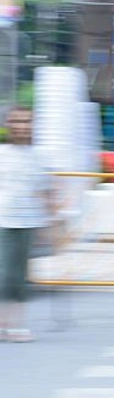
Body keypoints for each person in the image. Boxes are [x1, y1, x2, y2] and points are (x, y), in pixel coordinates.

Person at [0, 107, 54, 342]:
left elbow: (45, 190)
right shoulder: (2, 153)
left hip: (27, 222)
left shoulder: (38, 156)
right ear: (8, 124)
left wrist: (50, 220)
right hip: (3, 220)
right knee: (5, 274)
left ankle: (15, 323)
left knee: (18, 276)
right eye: (17, 121)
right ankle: (7, 323)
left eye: (26, 121)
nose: (22, 126)